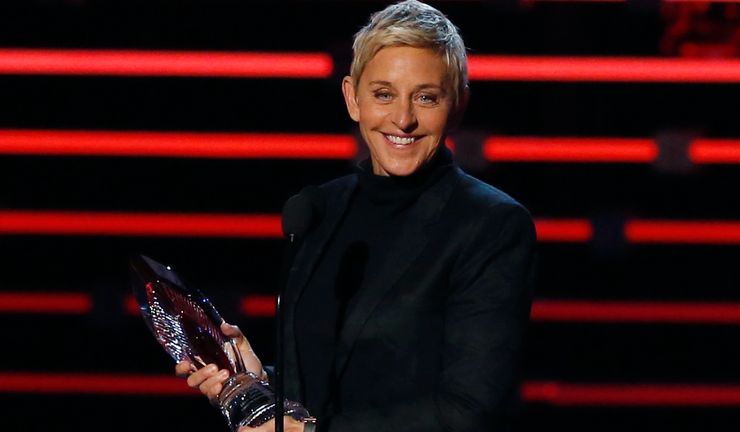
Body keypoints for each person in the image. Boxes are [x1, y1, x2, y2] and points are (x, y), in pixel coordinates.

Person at [176, 1, 536, 431]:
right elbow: (328, 388)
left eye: (426, 97)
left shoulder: (491, 225)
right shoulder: (318, 210)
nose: (403, 119)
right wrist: (256, 381)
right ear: (352, 98)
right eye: (383, 94)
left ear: (458, 104)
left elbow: (468, 412)